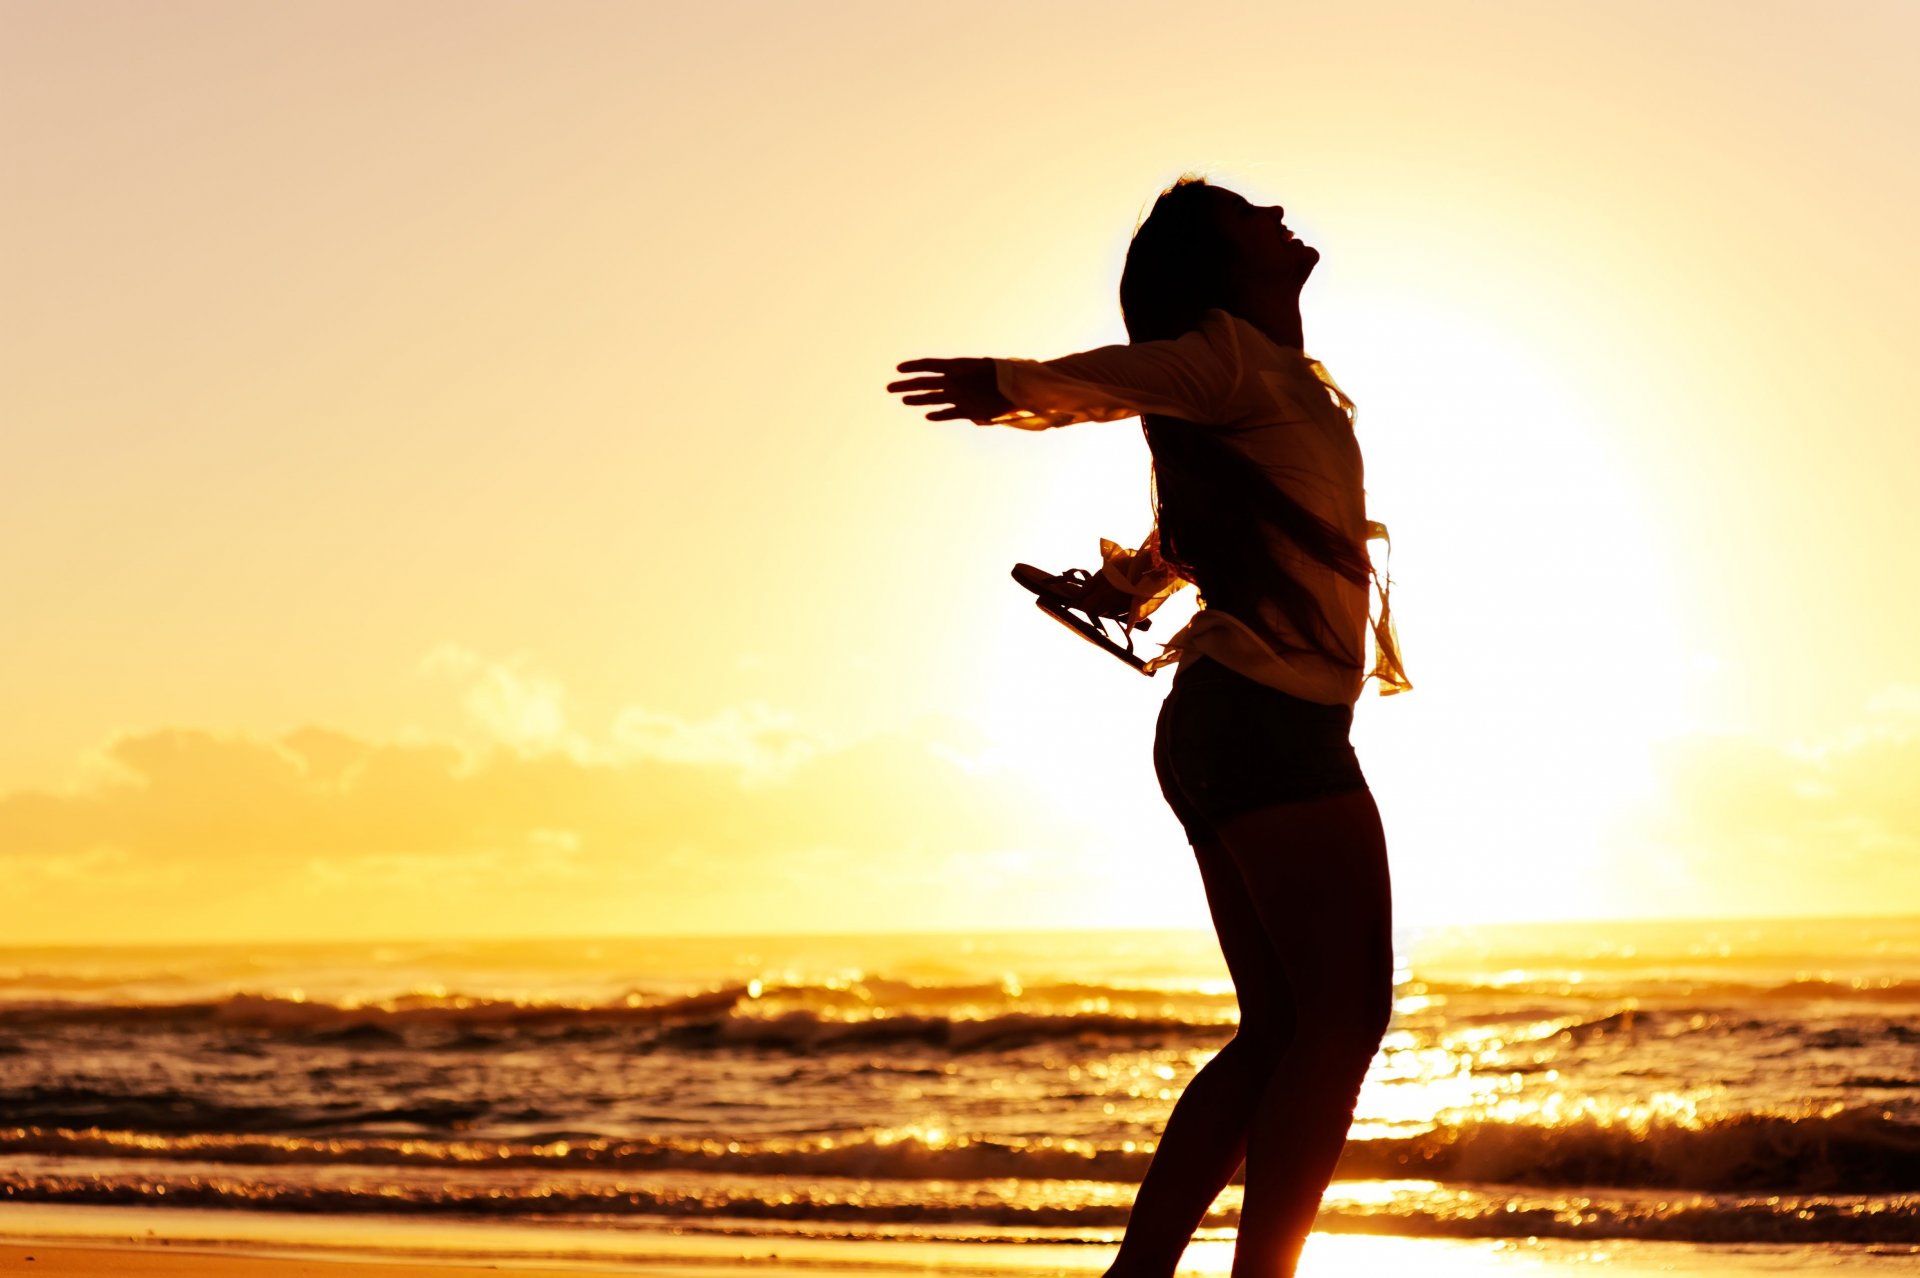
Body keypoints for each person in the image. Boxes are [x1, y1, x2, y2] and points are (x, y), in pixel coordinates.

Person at [885, 174, 1408, 1278]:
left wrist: (1139, 582)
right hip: (1265, 726)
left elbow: (1231, 513)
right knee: (1345, 1018)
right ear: (1218, 270)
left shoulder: (1267, 381)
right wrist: (1009, 386)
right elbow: (1109, 384)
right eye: (1245, 215)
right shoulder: (1219, 352)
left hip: (1233, 725)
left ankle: (1142, 1277)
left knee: (1280, 1029)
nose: (1275, 215)